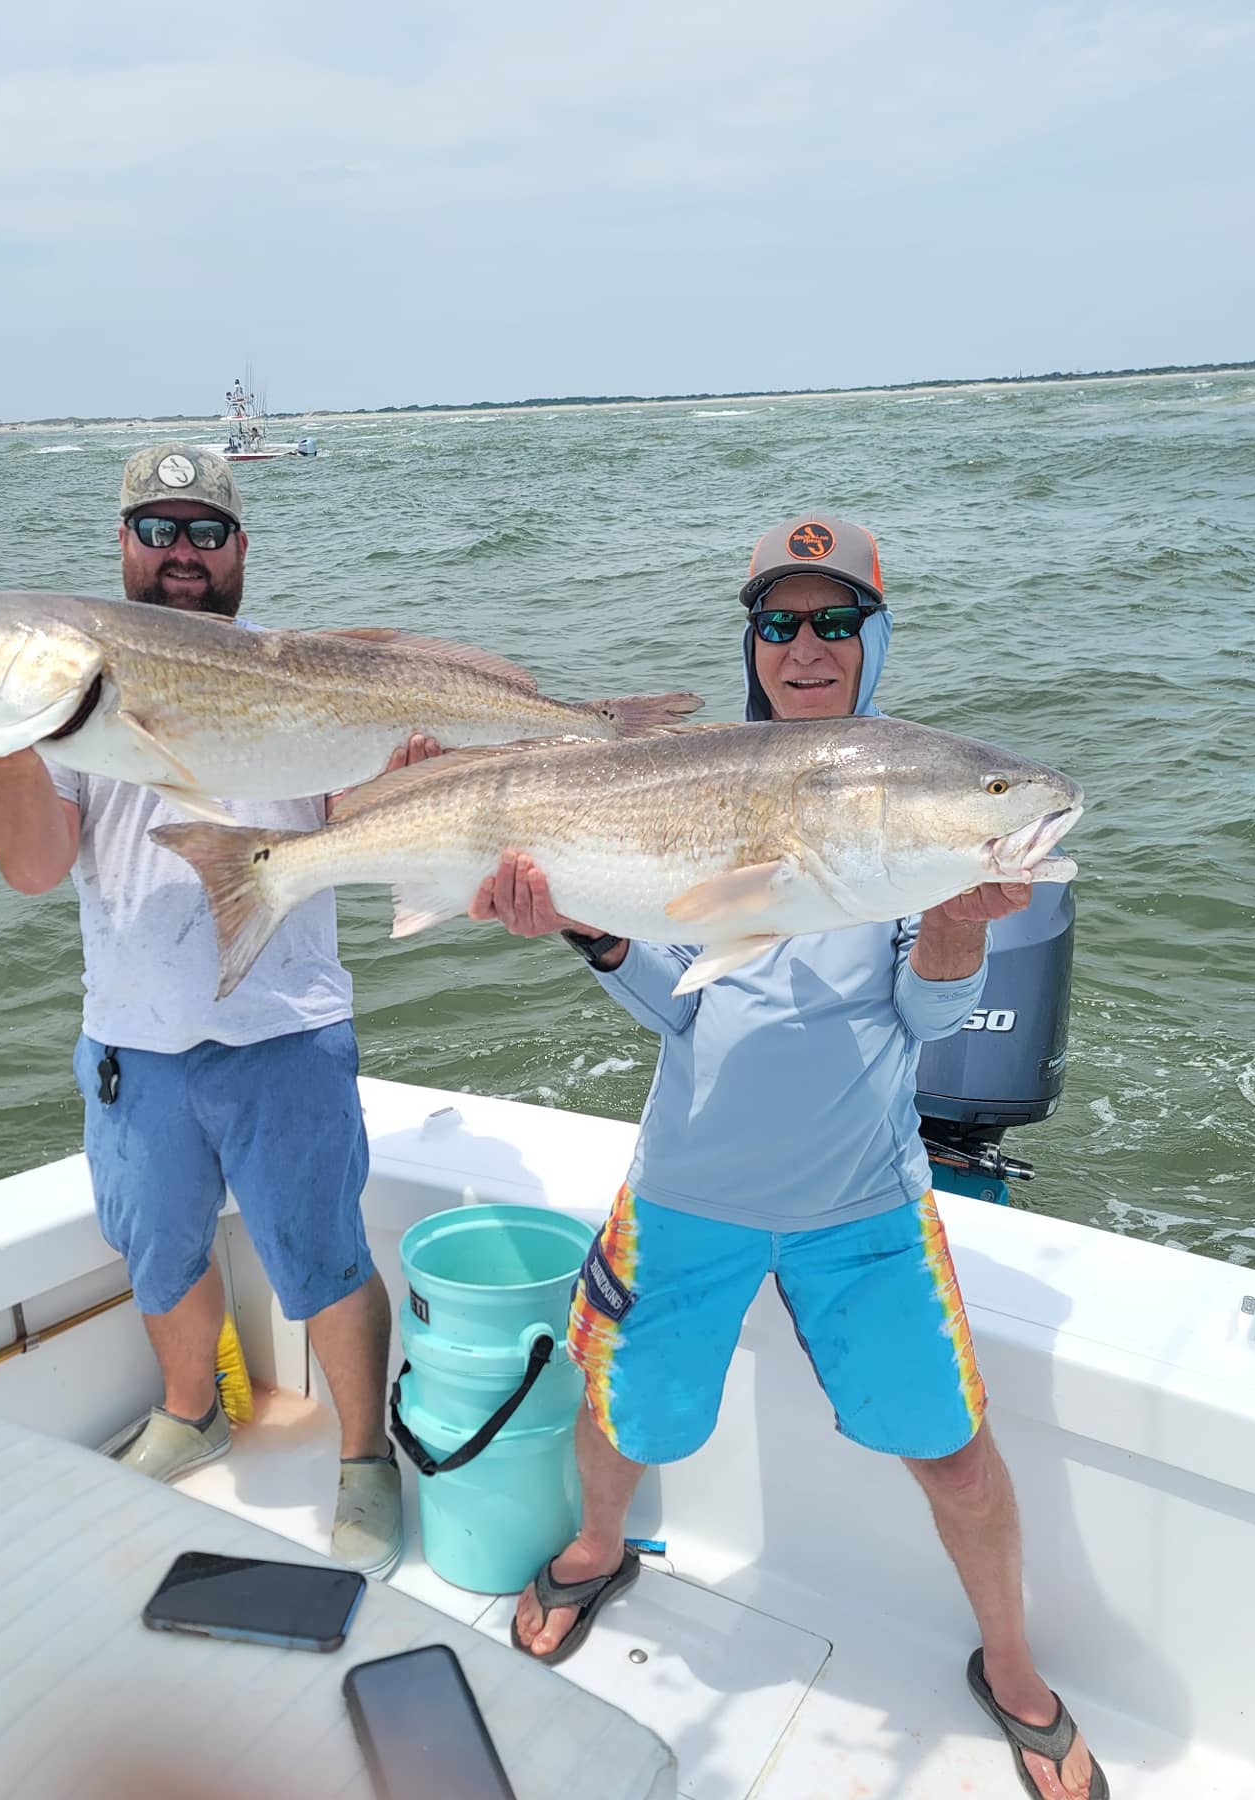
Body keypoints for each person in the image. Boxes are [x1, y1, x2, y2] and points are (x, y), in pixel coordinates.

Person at [468, 514, 1107, 1800]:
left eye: (833, 621)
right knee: (620, 1409)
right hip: (689, 1187)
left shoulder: (904, 790)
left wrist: (951, 924)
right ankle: (599, 1548)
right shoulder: (694, 776)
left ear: (875, 635)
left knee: (954, 1449)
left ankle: (1015, 1667)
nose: (804, 646)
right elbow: (675, 1002)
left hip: (864, 1201)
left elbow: (931, 1023)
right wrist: (586, 934)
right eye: (779, 622)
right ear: (752, 640)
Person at [0, 444, 432, 1579]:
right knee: (159, 1250)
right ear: (123, 546)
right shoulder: (73, 692)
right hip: (134, 1039)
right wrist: (1, 754)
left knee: (324, 1255)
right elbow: (37, 868)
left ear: (238, 551)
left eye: (204, 532)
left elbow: (364, 816)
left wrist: (418, 761)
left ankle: (359, 1457)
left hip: (282, 1021)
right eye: (158, 530)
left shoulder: (302, 668)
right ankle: (194, 1409)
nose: (180, 553)